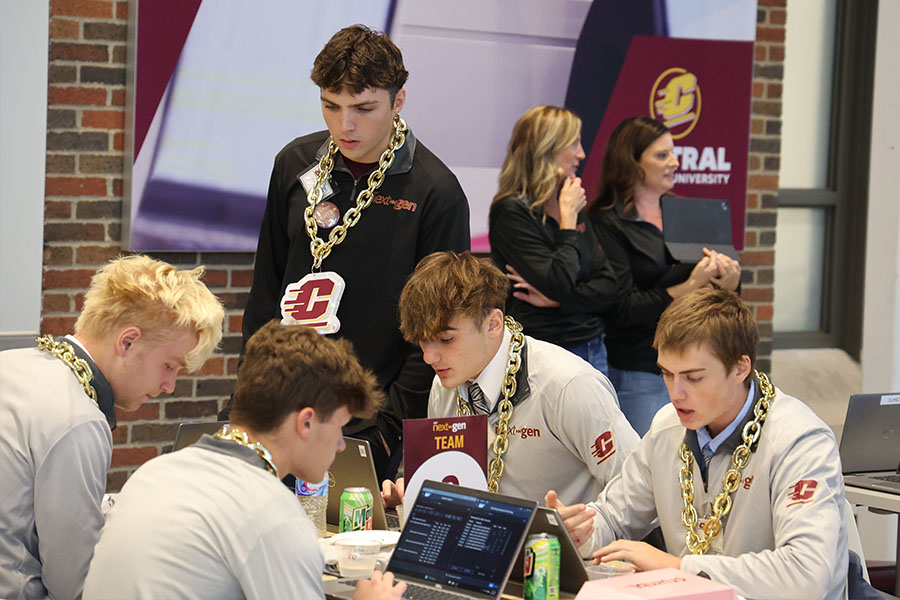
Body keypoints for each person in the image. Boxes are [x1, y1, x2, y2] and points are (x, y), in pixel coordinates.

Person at [234, 24, 470, 482]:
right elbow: (266, 290)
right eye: (331, 106)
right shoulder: (293, 163)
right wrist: (248, 395)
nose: (345, 125)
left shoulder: (436, 192)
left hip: (368, 422)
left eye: (364, 108)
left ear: (397, 101)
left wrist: (388, 428)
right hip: (281, 408)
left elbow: (437, 331)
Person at [546, 288, 849, 600]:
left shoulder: (799, 440)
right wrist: (582, 533)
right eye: (666, 373)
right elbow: (613, 517)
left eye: (693, 377)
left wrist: (679, 567)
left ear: (740, 368)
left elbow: (808, 575)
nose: (676, 393)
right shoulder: (666, 426)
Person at [83, 320, 405, 600]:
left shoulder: (155, 472)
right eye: (339, 426)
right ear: (305, 422)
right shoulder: (273, 514)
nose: (339, 445)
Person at [0, 255, 224, 600]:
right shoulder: (77, 420)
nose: (169, 386)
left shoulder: (12, 363)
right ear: (128, 342)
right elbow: (76, 586)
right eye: (169, 365)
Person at [383, 252, 639, 507]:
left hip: (565, 546)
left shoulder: (568, 386)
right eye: (423, 340)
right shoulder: (445, 382)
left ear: (493, 324)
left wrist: (589, 526)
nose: (429, 357)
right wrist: (411, 484)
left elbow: (638, 489)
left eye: (446, 339)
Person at [588, 116, 741, 435]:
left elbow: (722, 298)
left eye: (673, 152)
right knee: (647, 466)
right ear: (631, 162)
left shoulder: (687, 212)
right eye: (661, 155)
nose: (674, 162)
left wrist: (730, 282)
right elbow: (623, 308)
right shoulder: (606, 222)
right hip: (641, 369)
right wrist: (690, 285)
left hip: (701, 363)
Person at [488, 105, 618, 374]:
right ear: (546, 149)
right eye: (573, 144)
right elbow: (560, 281)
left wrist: (558, 300)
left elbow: (609, 286)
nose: (581, 154)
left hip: (593, 345)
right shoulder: (512, 211)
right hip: (544, 350)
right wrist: (568, 221)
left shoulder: (568, 199)